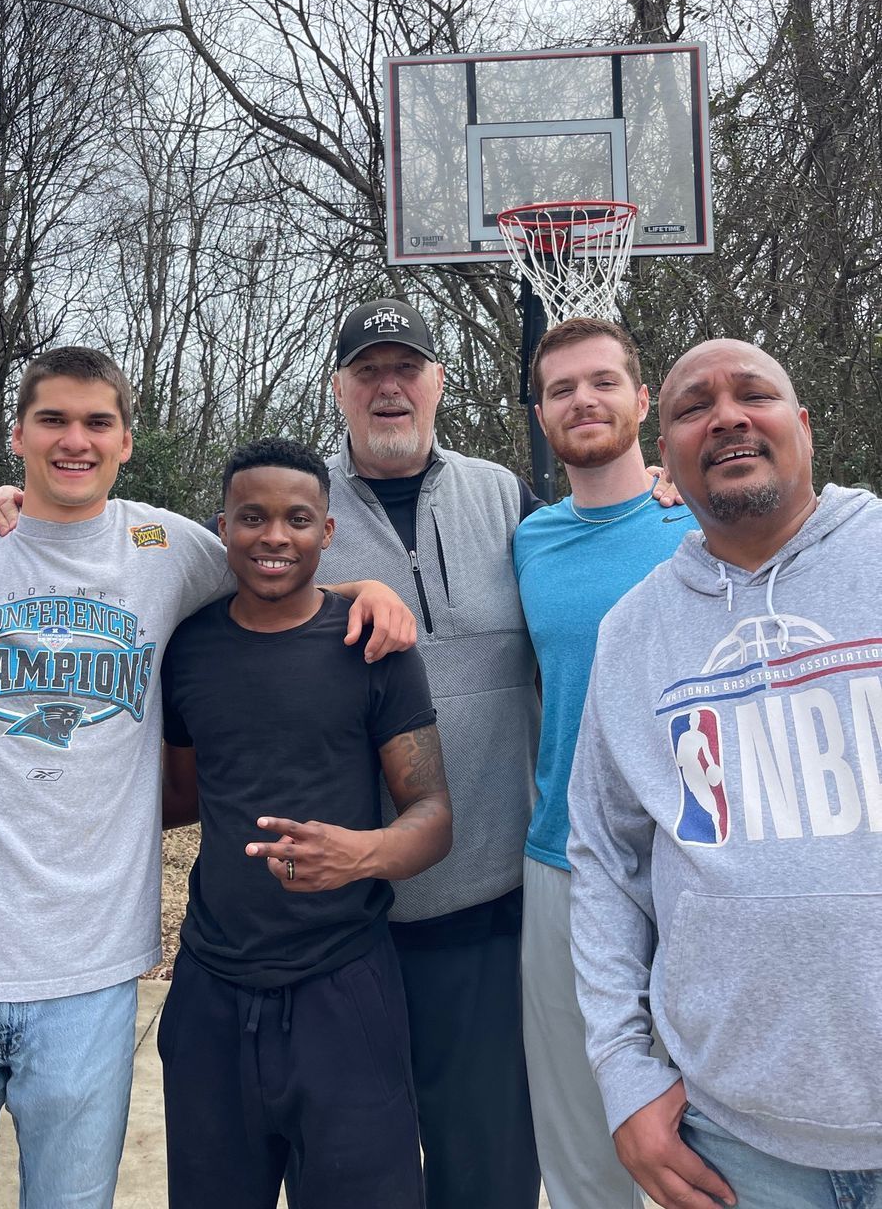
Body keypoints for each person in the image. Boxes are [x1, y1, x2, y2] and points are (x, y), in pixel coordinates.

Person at [0, 346, 415, 1209]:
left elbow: (274, 564)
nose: (75, 440)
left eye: (97, 422)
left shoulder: (164, 547)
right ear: (18, 433)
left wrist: (369, 589)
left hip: (92, 966)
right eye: (53, 420)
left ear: (126, 440)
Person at [568, 338, 882, 1209]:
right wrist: (623, 1073)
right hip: (732, 1144)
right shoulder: (632, 632)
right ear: (663, 456)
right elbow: (603, 858)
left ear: (804, 426)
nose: (727, 416)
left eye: (754, 394)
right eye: (693, 407)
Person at [159, 438, 452, 1208]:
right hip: (212, 995)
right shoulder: (186, 648)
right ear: (223, 527)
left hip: (343, 990)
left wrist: (362, 854)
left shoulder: (372, 646)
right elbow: (178, 796)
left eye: (296, 519)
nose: (274, 536)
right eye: (252, 517)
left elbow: (433, 817)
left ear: (326, 531)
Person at [314, 297, 543, 1209]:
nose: (389, 386)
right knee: (361, 1179)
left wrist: (660, 494)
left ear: (438, 381)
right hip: (346, 921)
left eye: (406, 367)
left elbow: (595, 555)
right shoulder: (294, 504)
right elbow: (218, 590)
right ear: (339, 389)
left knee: (486, 1172)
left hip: (489, 907)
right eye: (368, 370)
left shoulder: (507, 498)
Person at [513, 316, 694, 1208]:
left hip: (697, 856)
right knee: (583, 1139)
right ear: (540, 413)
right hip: (565, 860)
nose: (582, 400)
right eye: (560, 389)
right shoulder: (528, 541)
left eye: (602, 382)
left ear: (643, 398)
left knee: (715, 1128)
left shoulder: (702, 517)